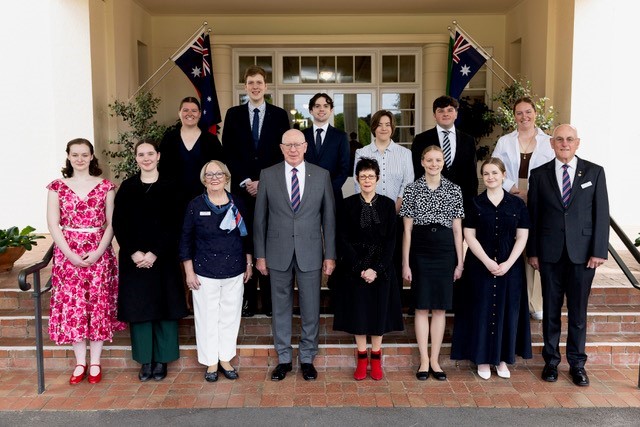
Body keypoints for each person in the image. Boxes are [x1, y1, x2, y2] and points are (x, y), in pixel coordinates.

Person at [527, 124, 609, 387]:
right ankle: (551, 361)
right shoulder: (539, 174)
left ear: (577, 143)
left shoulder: (594, 172)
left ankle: (577, 364)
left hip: (583, 255)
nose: (564, 143)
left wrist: (599, 251)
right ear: (551, 144)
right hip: (549, 255)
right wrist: (534, 252)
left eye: (569, 139)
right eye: (559, 139)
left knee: (578, 313)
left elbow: (601, 214)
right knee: (550, 311)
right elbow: (535, 216)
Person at [253, 129, 336, 382]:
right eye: (288, 145)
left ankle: (308, 358)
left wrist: (329, 255)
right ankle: (284, 359)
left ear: (305, 146)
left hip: (311, 252)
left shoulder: (321, 175)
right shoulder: (268, 175)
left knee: (311, 307)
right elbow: (260, 219)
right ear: (281, 147)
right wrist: (260, 255)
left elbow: (329, 220)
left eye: (297, 144)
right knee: (280, 308)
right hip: (276, 253)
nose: (292, 149)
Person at [46, 138, 126, 385]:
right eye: (75, 155)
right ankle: (80, 362)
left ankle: (95, 363)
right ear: (68, 157)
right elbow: (52, 223)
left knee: (97, 305)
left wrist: (100, 251)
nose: (80, 159)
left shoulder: (105, 187)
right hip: (67, 254)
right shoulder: (57, 187)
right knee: (75, 308)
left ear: (92, 157)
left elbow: (113, 223)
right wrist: (69, 254)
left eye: (84, 154)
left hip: (98, 251)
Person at [112, 140, 188, 382]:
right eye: (141, 154)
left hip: (163, 258)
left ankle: (163, 360)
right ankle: (146, 360)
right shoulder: (127, 187)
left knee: (165, 308)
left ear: (158, 156)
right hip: (134, 260)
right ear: (136, 158)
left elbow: (177, 223)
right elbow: (119, 223)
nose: (146, 158)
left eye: (150, 154)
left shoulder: (172, 185)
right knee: (140, 309)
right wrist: (134, 252)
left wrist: (155, 252)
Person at [450, 157, 532, 380]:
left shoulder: (517, 205)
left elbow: (522, 236)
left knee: (507, 311)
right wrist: (487, 261)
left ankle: (502, 359)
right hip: (480, 264)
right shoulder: (475, 203)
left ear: (504, 175)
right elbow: (469, 236)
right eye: (486, 173)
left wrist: (508, 263)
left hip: (510, 266)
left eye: (495, 173)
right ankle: (483, 359)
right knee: (481, 311)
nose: (490, 177)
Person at [223, 65, 290, 317]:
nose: (255, 86)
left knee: (271, 242)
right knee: (244, 241)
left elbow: (283, 152)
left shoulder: (279, 115)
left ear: (266, 86)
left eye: (259, 82)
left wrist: (263, 181)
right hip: (242, 191)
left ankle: (271, 303)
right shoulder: (233, 114)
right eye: (250, 82)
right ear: (245, 86)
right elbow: (228, 151)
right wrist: (246, 180)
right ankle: (248, 301)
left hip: (271, 190)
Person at [179, 160, 253, 383]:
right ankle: (211, 362)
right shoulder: (195, 205)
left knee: (229, 318)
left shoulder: (237, 202)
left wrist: (248, 263)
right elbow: (185, 240)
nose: (214, 178)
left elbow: (246, 237)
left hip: (234, 270)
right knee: (207, 318)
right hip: (204, 272)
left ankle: (225, 359)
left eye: (218, 174)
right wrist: (189, 272)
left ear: (226, 177)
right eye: (209, 175)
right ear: (204, 179)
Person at [332, 158, 403, 381]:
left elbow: (392, 240)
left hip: (381, 269)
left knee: (378, 313)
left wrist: (377, 269)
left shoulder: (388, 205)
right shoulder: (347, 204)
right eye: (362, 176)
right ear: (357, 179)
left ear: (378, 178)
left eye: (371, 176)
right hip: (355, 269)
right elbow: (342, 238)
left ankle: (376, 358)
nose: (367, 180)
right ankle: (362, 358)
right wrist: (362, 268)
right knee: (359, 314)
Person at [400, 145, 464, 381]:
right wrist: (405, 263)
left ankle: (435, 360)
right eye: (430, 160)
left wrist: (460, 262)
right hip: (420, 249)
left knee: (439, 307)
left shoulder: (454, 190)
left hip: (445, 251)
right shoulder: (412, 189)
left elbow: (458, 230)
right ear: (422, 162)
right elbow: (407, 230)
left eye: (438, 160)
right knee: (421, 306)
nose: (434, 164)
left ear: (443, 162)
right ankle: (423, 360)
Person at [492, 96, 556, 321]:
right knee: (511, 245)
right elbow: (496, 167)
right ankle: (513, 299)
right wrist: (513, 189)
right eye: (519, 113)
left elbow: (553, 171)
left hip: (541, 198)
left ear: (535, 113)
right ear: (514, 116)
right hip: (511, 195)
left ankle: (535, 301)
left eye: (528, 112)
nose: (524, 117)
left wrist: (534, 193)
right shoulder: (504, 141)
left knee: (536, 248)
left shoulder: (548, 141)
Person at [354, 110, 414, 302]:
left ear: (392, 128)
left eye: (387, 124)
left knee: (391, 260)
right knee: (369, 260)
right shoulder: (361, 153)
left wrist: (393, 209)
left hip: (395, 215)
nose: (383, 128)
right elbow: (359, 184)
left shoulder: (405, 154)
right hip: (368, 217)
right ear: (373, 127)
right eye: (379, 124)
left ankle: (390, 307)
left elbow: (408, 184)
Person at [411, 95, 478, 211]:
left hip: (462, 204)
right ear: (434, 115)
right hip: (430, 204)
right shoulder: (421, 140)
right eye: (441, 111)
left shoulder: (468, 140)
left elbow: (472, 175)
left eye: (450, 110)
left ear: (456, 114)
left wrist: (472, 204)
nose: (445, 114)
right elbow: (417, 172)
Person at [158, 96, 225, 211]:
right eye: (185, 110)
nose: (190, 114)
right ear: (179, 113)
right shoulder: (169, 138)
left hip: (205, 199)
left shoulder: (211, 140)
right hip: (173, 200)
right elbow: (162, 169)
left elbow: (220, 168)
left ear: (199, 114)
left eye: (194, 111)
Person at [302, 93, 350, 207]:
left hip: (332, 195)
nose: (321, 109)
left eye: (326, 106)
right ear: (311, 110)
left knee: (332, 225)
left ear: (331, 110)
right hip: (305, 195)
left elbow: (344, 168)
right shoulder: (302, 136)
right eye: (317, 106)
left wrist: (328, 190)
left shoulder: (340, 136)